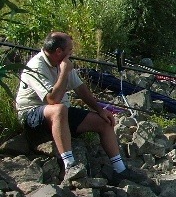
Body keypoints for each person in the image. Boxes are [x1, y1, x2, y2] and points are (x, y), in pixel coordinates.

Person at [15, 32, 148, 185]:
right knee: (58, 109)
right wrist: (64, 71)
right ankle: (69, 165)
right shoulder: (36, 66)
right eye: (69, 51)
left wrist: (101, 110)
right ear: (59, 51)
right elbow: (52, 99)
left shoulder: (62, 63)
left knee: (104, 122)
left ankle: (120, 169)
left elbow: (81, 89)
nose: (71, 54)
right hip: (33, 115)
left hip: (59, 113)